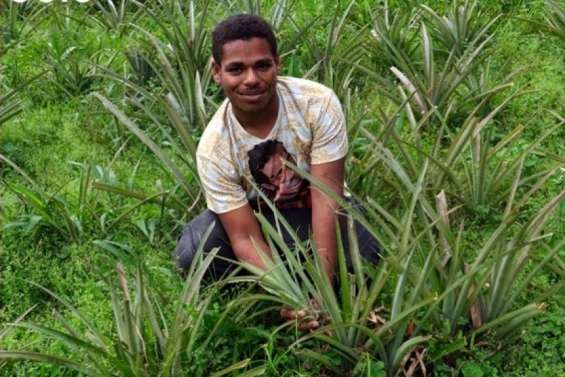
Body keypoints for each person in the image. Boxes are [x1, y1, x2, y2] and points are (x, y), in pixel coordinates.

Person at [175, 14, 379, 285]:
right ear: (216, 71)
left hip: (316, 212)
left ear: (278, 63)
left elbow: (327, 197)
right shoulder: (214, 148)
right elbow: (244, 237)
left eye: (262, 66)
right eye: (236, 69)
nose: (251, 79)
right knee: (194, 252)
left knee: (367, 260)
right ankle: (273, 283)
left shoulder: (317, 104)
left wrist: (323, 286)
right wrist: (289, 296)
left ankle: (311, 273)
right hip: (255, 220)